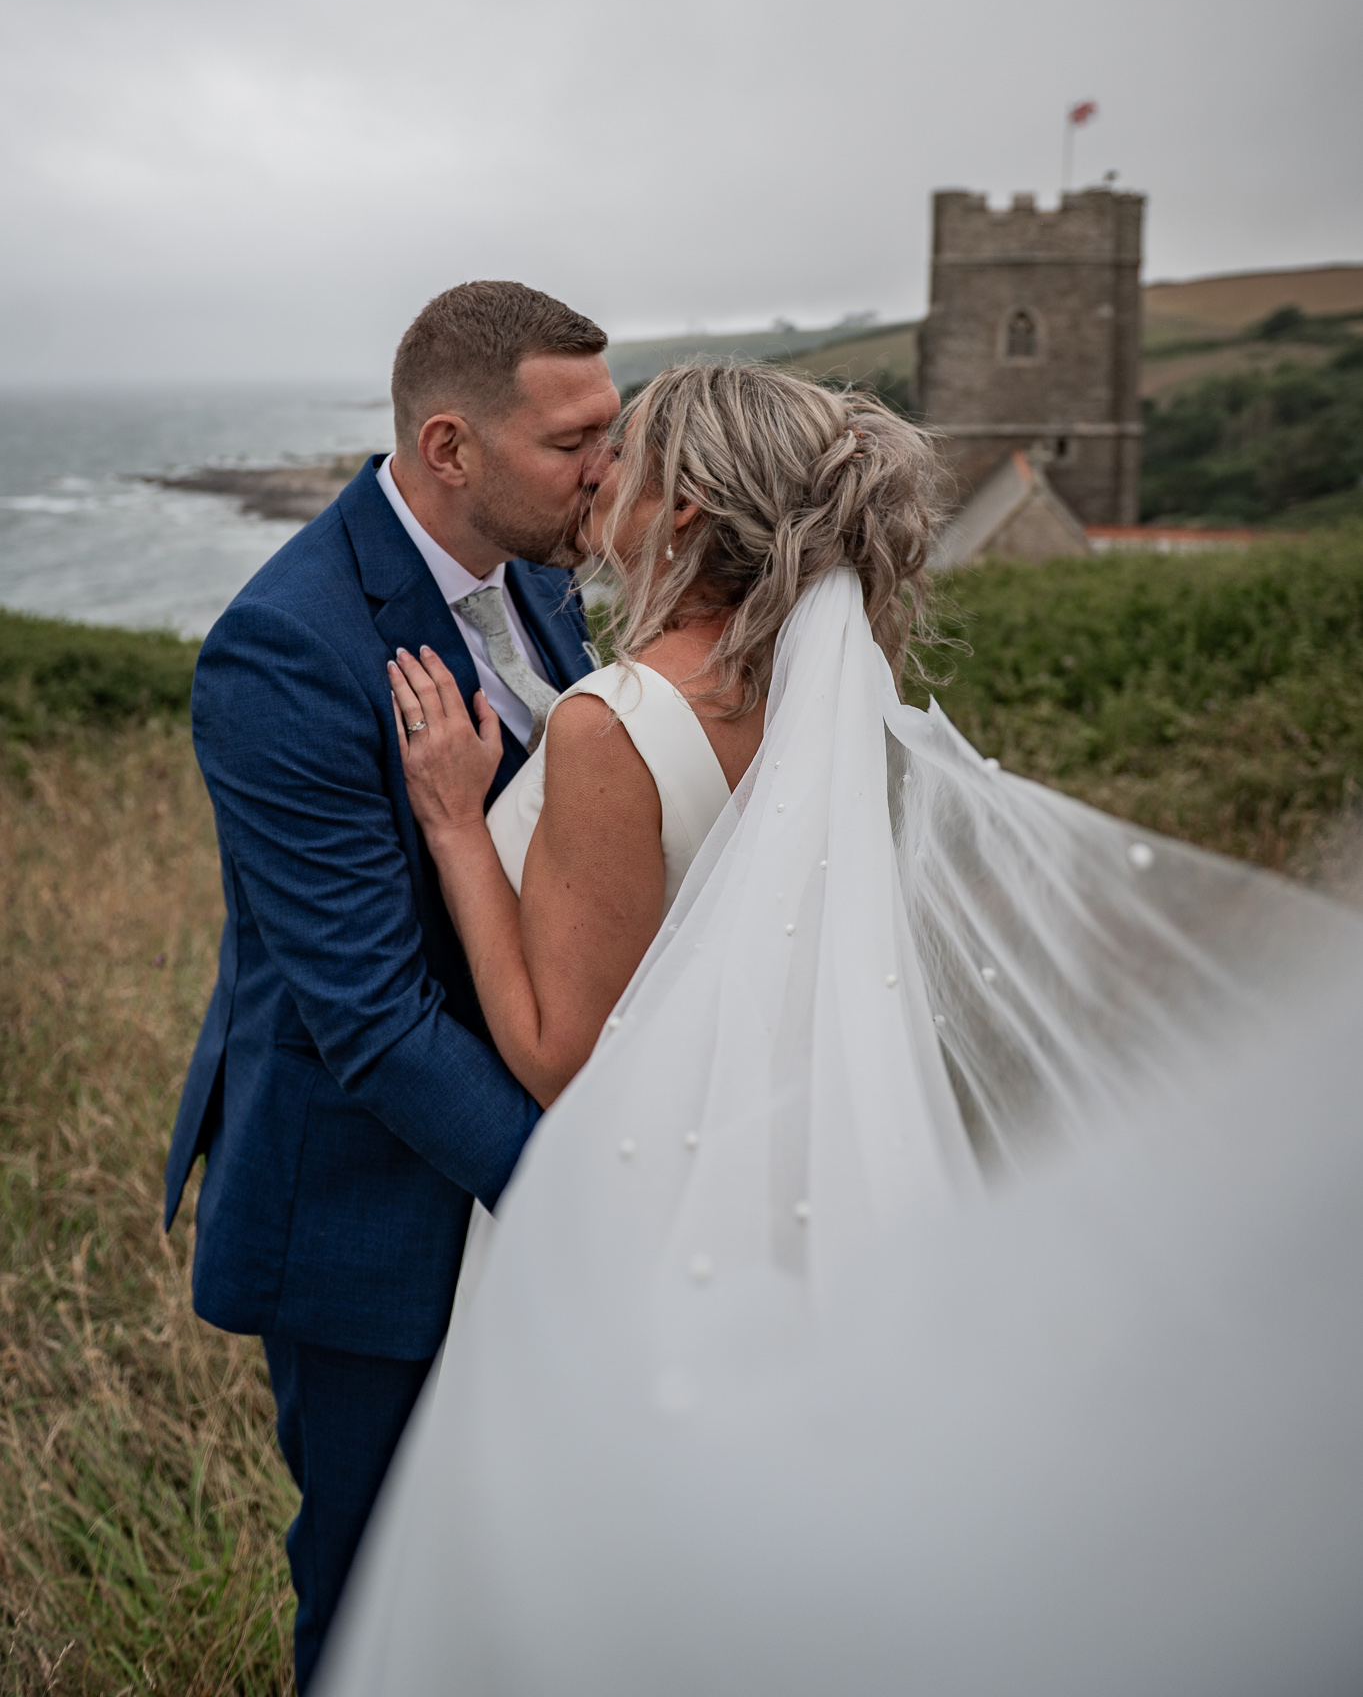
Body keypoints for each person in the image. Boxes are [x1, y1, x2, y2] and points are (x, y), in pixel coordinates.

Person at [318, 360, 1363, 1696]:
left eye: (627, 454)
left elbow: (560, 1056)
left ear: (683, 507)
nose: (600, 474)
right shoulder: (828, 699)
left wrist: (458, 825)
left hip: (644, 1202)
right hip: (793, 1166)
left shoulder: (610, 721)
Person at [163, 279, 619, 1691]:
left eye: (611, 431)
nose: (608, 469)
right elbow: (370, 1015)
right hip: (370, 1205)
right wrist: (581, 1198)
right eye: (573, 442)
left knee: (513, 1574)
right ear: (449, 448)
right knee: (378, 1593)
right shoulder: (284, 648)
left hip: (521, 1148)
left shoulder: (541, 571)